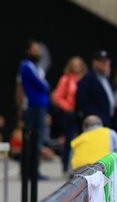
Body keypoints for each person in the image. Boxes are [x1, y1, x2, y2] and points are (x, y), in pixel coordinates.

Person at [18, 39, 52, 176]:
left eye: (39, 50)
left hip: (39, 107)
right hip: (34, 108)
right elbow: (42, 85)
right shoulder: (27, 66)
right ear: (28, 51)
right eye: (35, 50)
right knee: (33, 140)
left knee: (37, 139)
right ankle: (30, 171)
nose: (38, 53)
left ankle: (32, 170)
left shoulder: (35, 67)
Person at [51, 56, 87, 175]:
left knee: (83, 139)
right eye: (74, 65)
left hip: (82, 113)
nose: (76, 67)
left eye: (78, 64)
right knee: (69, 139)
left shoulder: (85, 79)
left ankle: (81, 164)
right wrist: (68, 107)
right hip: (70, 114)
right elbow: (57, 96)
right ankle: (66, 166)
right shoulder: (65, 79)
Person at [76, 50, 115, 128]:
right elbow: (82, 102)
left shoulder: (105, 78)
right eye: (102, 61)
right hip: (96, 123)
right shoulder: (88, 78)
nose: (105, 63)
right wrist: (97, 117)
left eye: (106, 61)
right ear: (94, 62)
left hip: (108, 120)